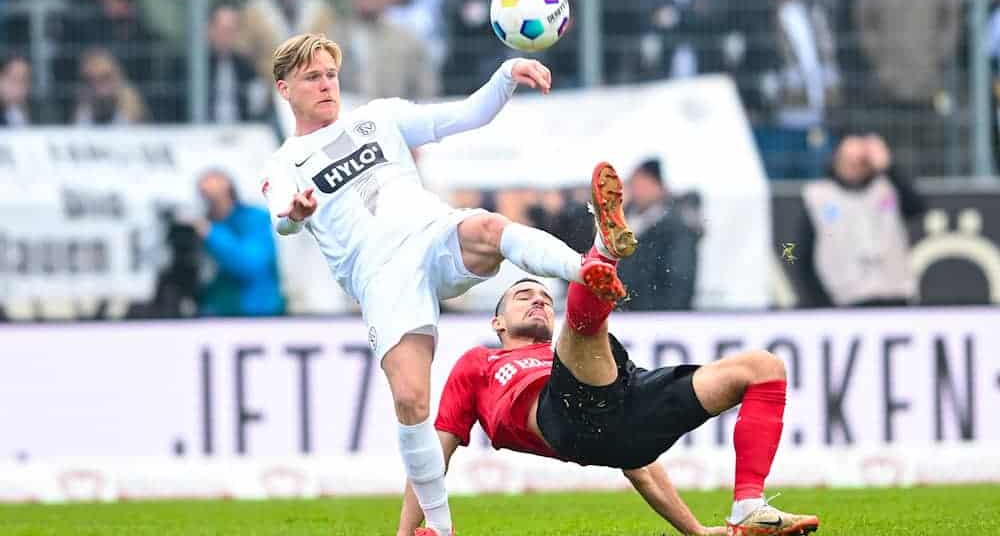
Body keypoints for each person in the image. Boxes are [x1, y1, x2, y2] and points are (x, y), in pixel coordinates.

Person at [260, 33, 631, 536]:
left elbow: (464, 116)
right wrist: (296, 213)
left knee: (490, 230)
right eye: (312, 77)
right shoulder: (285, 161)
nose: (326, 85)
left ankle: (585, 264)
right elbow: (281, 217)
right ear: (285, 88)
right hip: (381, 274)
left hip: (432, 233)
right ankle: (438, 527)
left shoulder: (379, 117)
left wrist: (505, 77)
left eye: (331, 74)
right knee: (412, 400)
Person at [398, 163, 820, 536]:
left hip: (619, 405)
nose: (538, 300)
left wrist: (694, 531)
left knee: (763, 367)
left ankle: (747, 507)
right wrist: (409, 530)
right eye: (524, 295)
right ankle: (602, 250)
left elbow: (637, 462)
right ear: (498, 322)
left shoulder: (561, 350)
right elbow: (433, 452)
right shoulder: (479, 362)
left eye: (545, 297)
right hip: (562, 416)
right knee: (582, 336)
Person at [797, 133, 926, 308]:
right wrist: (817, 301)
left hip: (895, 295)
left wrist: (889, 168)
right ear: (836, 160)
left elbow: (918, 208)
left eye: (861, 161)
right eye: (848, 160)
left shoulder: (888, 187)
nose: (854, 166)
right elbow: (790, 249)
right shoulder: (818, 197)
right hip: (845, 300)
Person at [193, 170, 285, 317]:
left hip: (258, 314)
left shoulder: (255, 218)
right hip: (216, 315)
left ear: (228, 187)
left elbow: (251, 264)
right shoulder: (202, 224)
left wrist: (211, 234)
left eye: (213, 183)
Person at [616, 158, 701, 311]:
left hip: (658, 315)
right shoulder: (631, 220)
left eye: (639, 185)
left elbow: (678, 279)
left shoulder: (675, 227)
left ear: (656, 185)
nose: (634, 191)